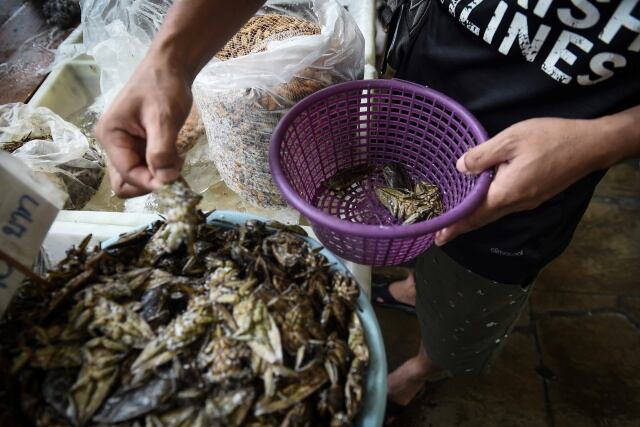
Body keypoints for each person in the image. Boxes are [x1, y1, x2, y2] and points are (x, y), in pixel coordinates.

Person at [96, 0, 640, 423]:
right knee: (416, 239)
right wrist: (169, 60)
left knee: (475, 287)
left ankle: (424, 369)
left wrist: (604, 140)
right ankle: (412, 288)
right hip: (423, 89)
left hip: (551, 157)